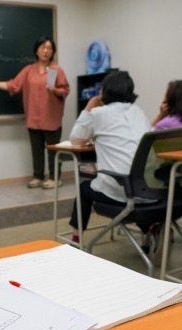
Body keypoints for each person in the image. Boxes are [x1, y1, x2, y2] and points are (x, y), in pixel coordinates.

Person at [67, 71, 151, 243]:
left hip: (121, 190)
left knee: (84, 188)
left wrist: (90, 105)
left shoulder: (99, 114)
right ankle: (151, 230)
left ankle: (76, 240)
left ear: (103, 91)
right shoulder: (139, 112)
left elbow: (75, 139)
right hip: (150, 190)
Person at [0, 36, 70, 189]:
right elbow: (13, 85)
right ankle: (38, 176)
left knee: (53, 151)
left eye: (49, 48)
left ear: (53, 52)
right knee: (36, 151)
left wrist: (54, 90)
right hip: (33, 118)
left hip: (51, 118)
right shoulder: (29, 70)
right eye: (43, 47)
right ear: (36, 50)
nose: (46, 51)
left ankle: (56, 178)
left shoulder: (56, 70)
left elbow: (65, 90)